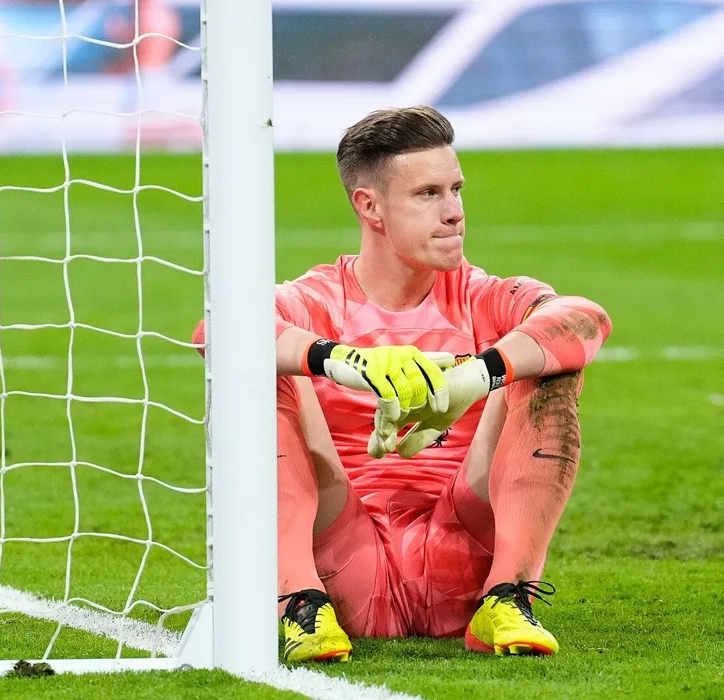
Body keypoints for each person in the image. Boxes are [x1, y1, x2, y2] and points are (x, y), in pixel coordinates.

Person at [193, 106, 611, 662]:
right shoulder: (317, 300)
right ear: (370, 206)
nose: (454, 212)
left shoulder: (483, 296)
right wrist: (340, 361)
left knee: (550, 367)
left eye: (456, 190)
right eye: (428, 194)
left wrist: (478, 374)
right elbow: (216, 328)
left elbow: (586, 319)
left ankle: (510, 597)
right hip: (343, 564)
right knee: (254, 371)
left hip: (463, 555)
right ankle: (299, 604)